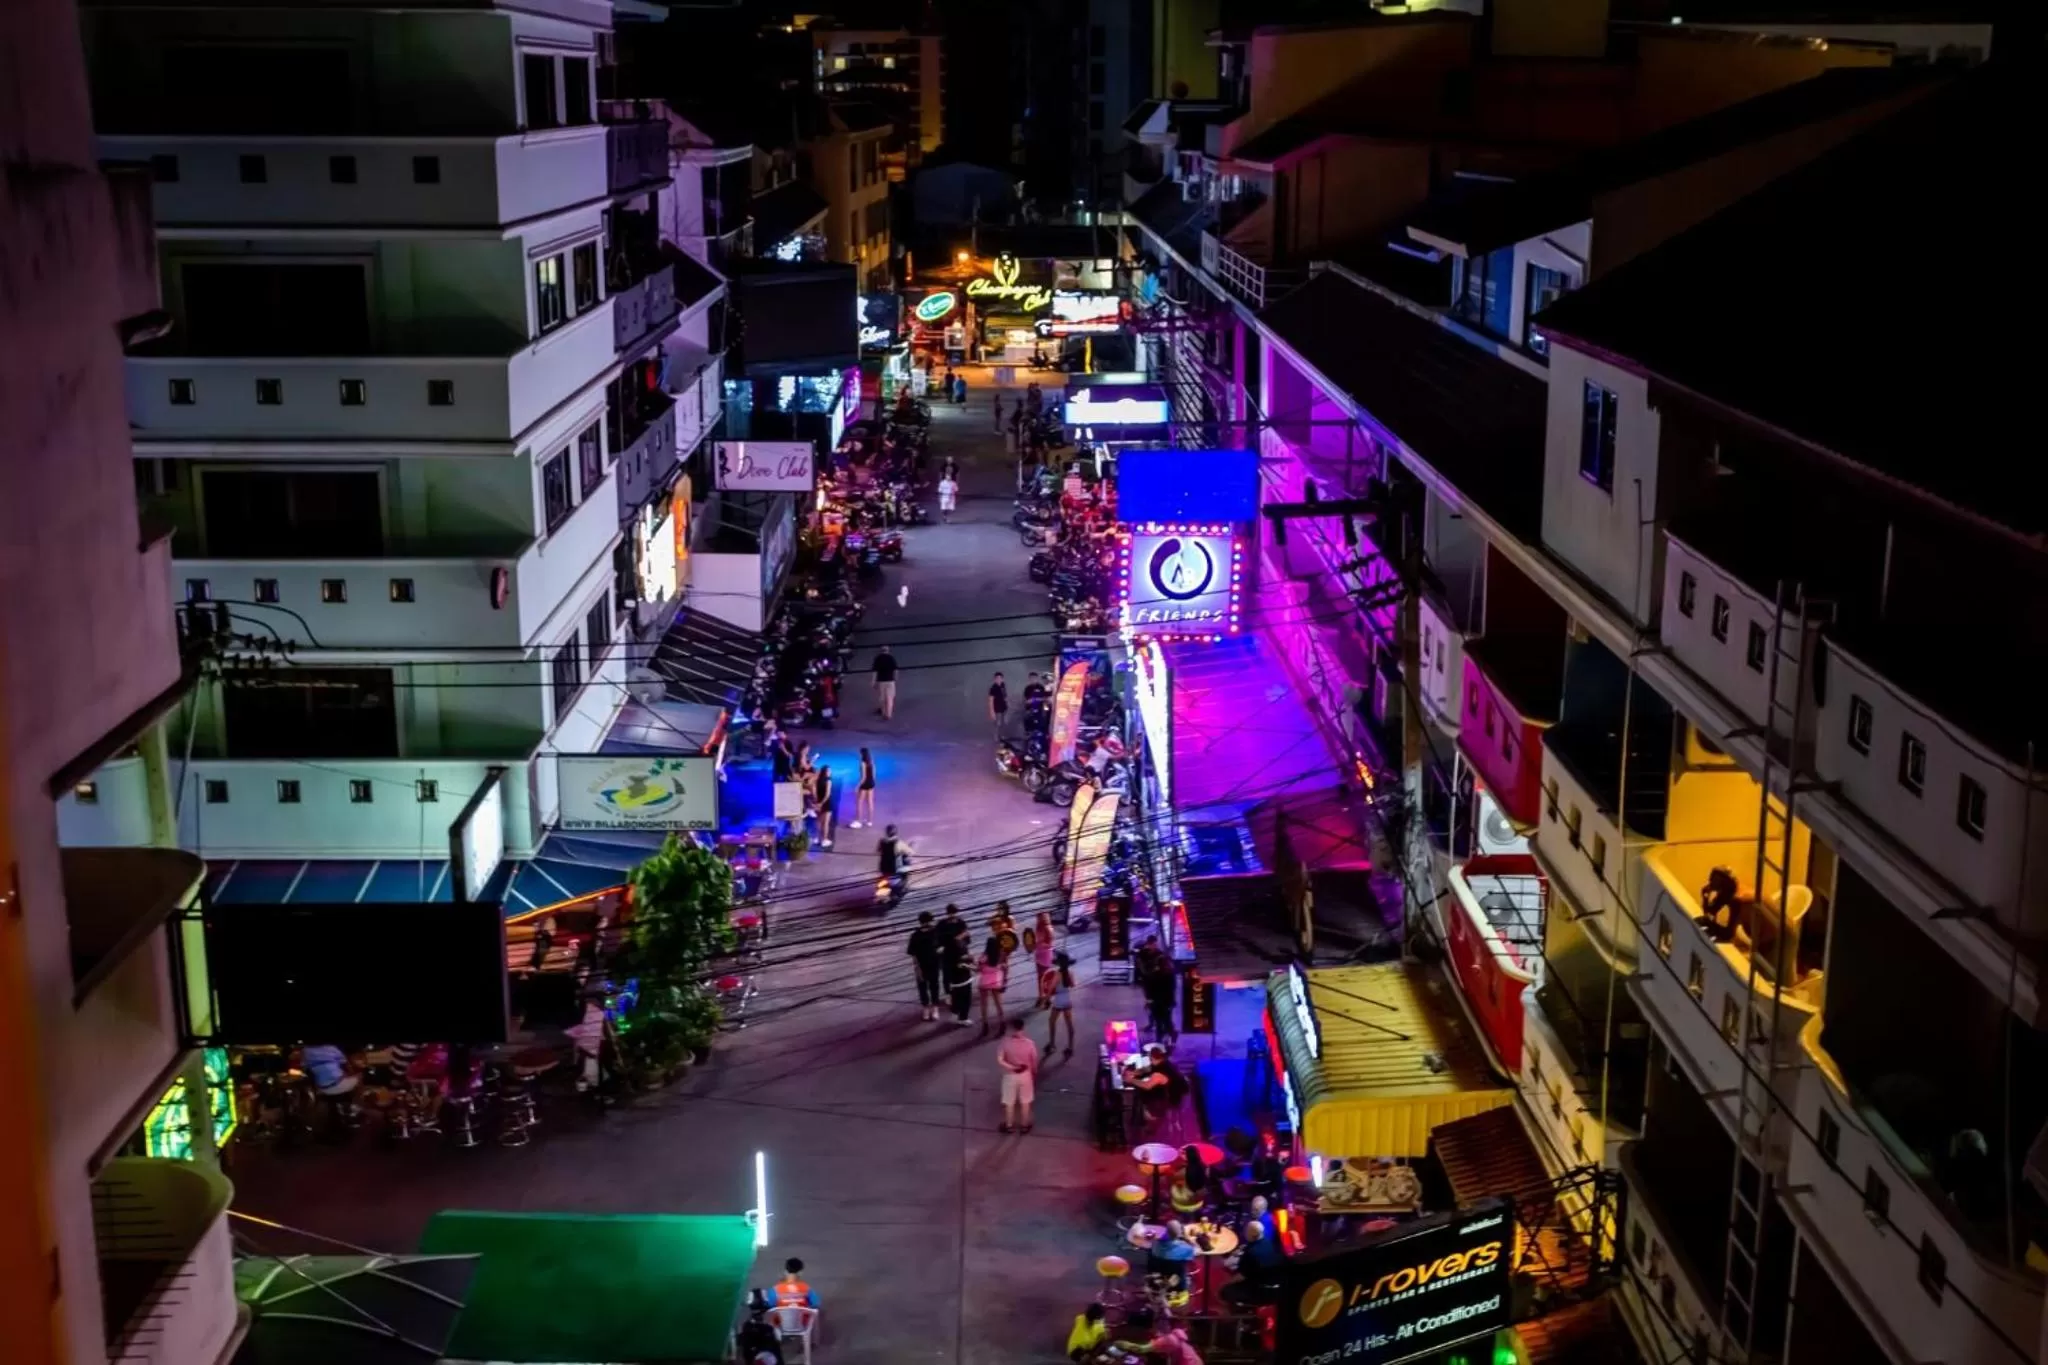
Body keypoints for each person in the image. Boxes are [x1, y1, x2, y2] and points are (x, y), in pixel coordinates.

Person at [996, 1016, 1039, 1134]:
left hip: (1010, 1075)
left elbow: (1000, 1060)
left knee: (1009, 1101)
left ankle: (1009, 1125)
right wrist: (1034, 1072)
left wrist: (1012, 1067)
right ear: (1023, 1028)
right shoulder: (1030, 1044)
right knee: (1025, 1101)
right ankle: (1024, 1125)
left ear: (1012, 1029)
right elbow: (1034, 1060)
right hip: (1026, 1075)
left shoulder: (1005, 1042)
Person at [908, 910, 946, 1021]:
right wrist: (917, 967)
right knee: (923, 988)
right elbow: (913, 953)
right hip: (921, 965)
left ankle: (935, 1008)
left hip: (934, 964)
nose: (930, 924)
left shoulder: (936, 932)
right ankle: (925, 1007)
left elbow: (943, 945)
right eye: (928, 922)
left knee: (934, 986)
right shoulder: (915, 935)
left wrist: (941, 950)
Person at [1045, 951, 1077, 1056]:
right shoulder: (1070, 973)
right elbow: (1073, 985)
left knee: (1052, 1021)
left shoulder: (1057, 974)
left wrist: (1047, 999)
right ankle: (1070, 1046)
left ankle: (1052, 1044)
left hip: (1059, 999)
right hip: (1067, 999)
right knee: (1069, 1024)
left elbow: (1051, 988)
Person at [944, 934, 975, 1025]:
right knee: (966, 1000)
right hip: (964, 980)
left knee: (956, 998)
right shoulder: (960, 947)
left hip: (954, 982)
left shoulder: (948, 953)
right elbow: (967, 962)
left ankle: (955, 1012)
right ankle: (963, 1018)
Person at [977, 944, 1007, 1035]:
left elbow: (979, 969)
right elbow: (1005, 967)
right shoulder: (1001, 956)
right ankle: (1002, 1023)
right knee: (998, 1004)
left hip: (984, 982)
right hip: (995, 982)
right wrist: (1004, 980)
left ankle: (985, 1025)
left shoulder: (984, 957)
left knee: (984, 1004)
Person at [852, 746, 877, 828]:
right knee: (870, 802)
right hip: (871, 783)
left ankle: (858, 821)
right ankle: (870, 821)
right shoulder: (872, 762)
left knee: (859, 802)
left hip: (865, 783)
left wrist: (857, 786)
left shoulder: (863, 763)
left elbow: (863, 777)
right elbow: (873, 775)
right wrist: (872, 783)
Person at [812, 764, 836, 849]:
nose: (830, 772)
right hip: (826, 803)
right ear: (825, 772)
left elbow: (814, 792)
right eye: (829, 771)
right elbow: (827, 794)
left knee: (819, 821)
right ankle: (824, 840)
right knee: (825, 823)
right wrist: (821, 803)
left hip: (818, 802)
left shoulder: (817, 780)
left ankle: (817, 838)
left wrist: (817, 802)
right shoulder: (828, 781)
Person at [873, 646, 899, 720]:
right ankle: (889, 714)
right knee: (890, 697)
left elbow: (875, 671)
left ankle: (884, 712)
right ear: (888, 651)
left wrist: (873, 681)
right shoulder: (891, 658)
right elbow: (896, 670)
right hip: (890, 680)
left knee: (882, 697)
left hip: (881, 681)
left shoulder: (878, 659)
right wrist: (895, 678)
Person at [988, 670, 1009, 735]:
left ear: (1002, 679)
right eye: (997, 678)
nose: (999, 680)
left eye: (1000, 678)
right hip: (997, 709)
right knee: (998, 724)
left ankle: (1003, 737)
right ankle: (996, 738)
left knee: (1004, 723)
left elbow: (1005, 696)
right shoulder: (993, 688)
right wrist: (992, 712)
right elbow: (990, 700)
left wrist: (1008, 702)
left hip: (1004, 708)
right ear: (994, 679)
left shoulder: (1003, 685)